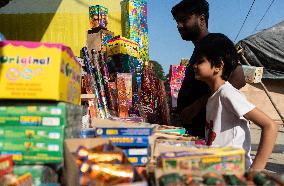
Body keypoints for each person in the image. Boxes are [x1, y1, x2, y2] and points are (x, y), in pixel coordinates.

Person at [193, 33, 278, 170]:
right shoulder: (212, 98)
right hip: (218, 170)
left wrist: (255, 171)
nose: (194, 66)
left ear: (218, 66)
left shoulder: (227, 93)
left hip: (235, 173)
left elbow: (270, 126)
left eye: (200, 61)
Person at [171, 0, 246, 138]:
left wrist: (198, 105)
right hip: (199, 132)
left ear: (202, 19)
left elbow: (239, 78)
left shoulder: (215, 42)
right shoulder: (199, 50)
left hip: (212, 133)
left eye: (184, 20)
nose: (179, 26)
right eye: (177, 21)